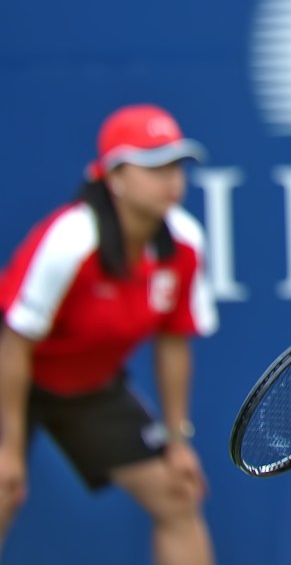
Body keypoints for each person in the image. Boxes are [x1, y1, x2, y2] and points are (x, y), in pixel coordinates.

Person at [0, 104, 218, 565]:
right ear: (114, 177)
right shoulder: (70, 239)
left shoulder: (184, 243)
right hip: (12, 374)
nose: (171, 179)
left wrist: (178, 442)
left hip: (88, 388)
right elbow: (15, 342)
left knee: (177, 495)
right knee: (2, 489)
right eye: (154, 167)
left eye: (175, 166)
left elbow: (174, 341)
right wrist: (8, 448)